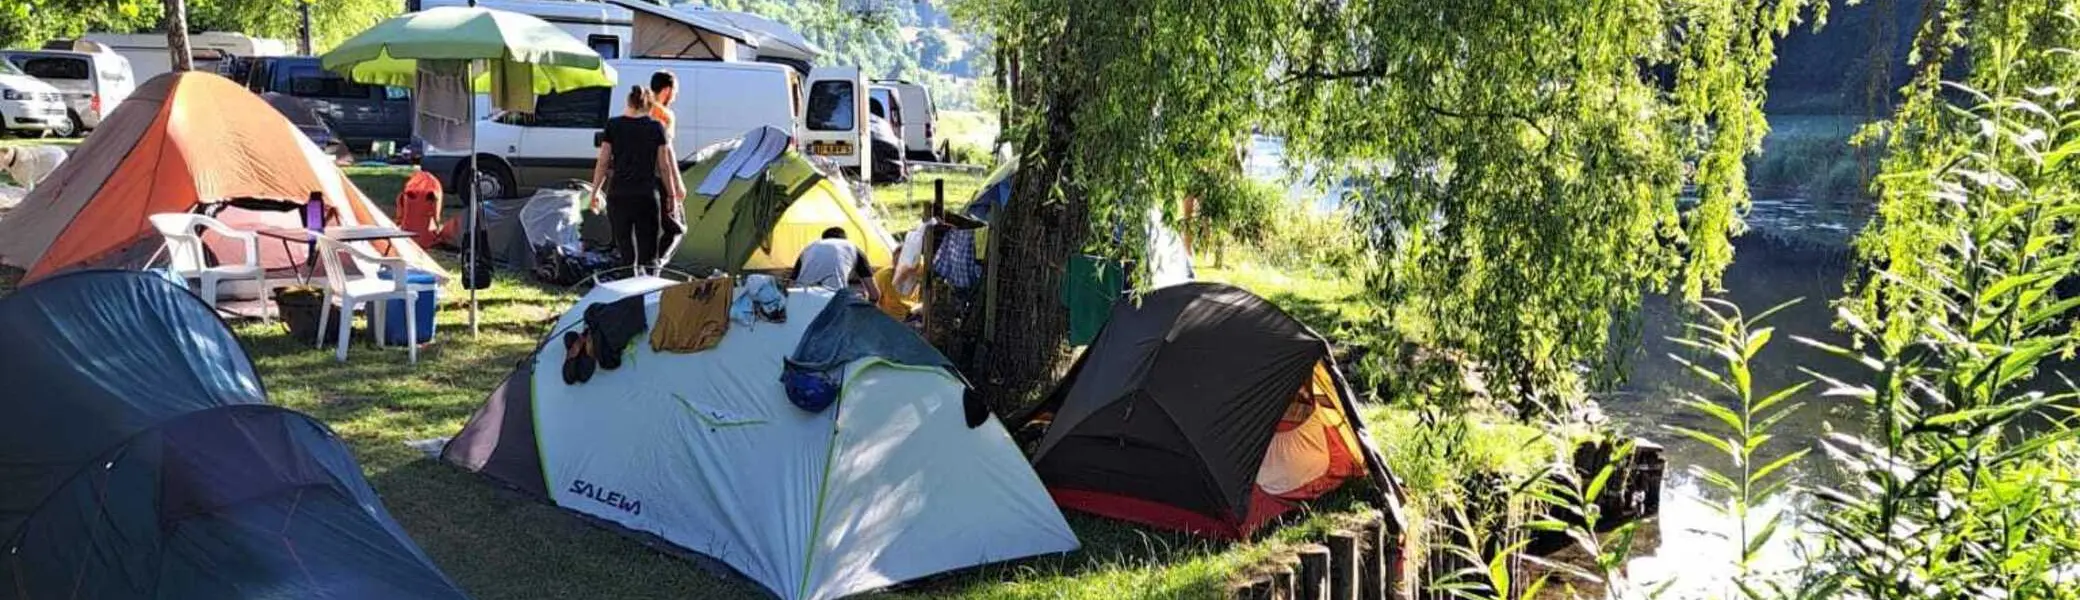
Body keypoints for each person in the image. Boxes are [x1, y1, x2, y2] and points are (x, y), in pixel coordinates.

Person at [590, 86, 683, 273]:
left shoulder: (613, 125)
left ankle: (626, 291)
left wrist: (595, 192)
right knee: (648, 253)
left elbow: (603, 163)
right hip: (646, 196)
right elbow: (664, 167)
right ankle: (647, 291)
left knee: (625, 251)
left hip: (618, 194)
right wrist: (671, 196)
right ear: (649, 106)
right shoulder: (656, 128)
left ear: (629, 103)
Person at [647, 70, 686, 257]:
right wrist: (677, 183)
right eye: (675, 91)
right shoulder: (664, 115)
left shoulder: (640, 108)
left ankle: (640, 268)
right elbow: (667, 151)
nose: (676, 96)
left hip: (637, 175)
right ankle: (656, 266)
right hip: (658, 175)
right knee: (676, 227)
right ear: (667, 90)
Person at [793, 227, 881, 302]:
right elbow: (874, 294)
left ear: (823, 239)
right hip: (832, 300)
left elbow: (791, 283)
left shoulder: (809, 248)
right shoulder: (853, 248)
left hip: (801, 297)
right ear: (845, 239)